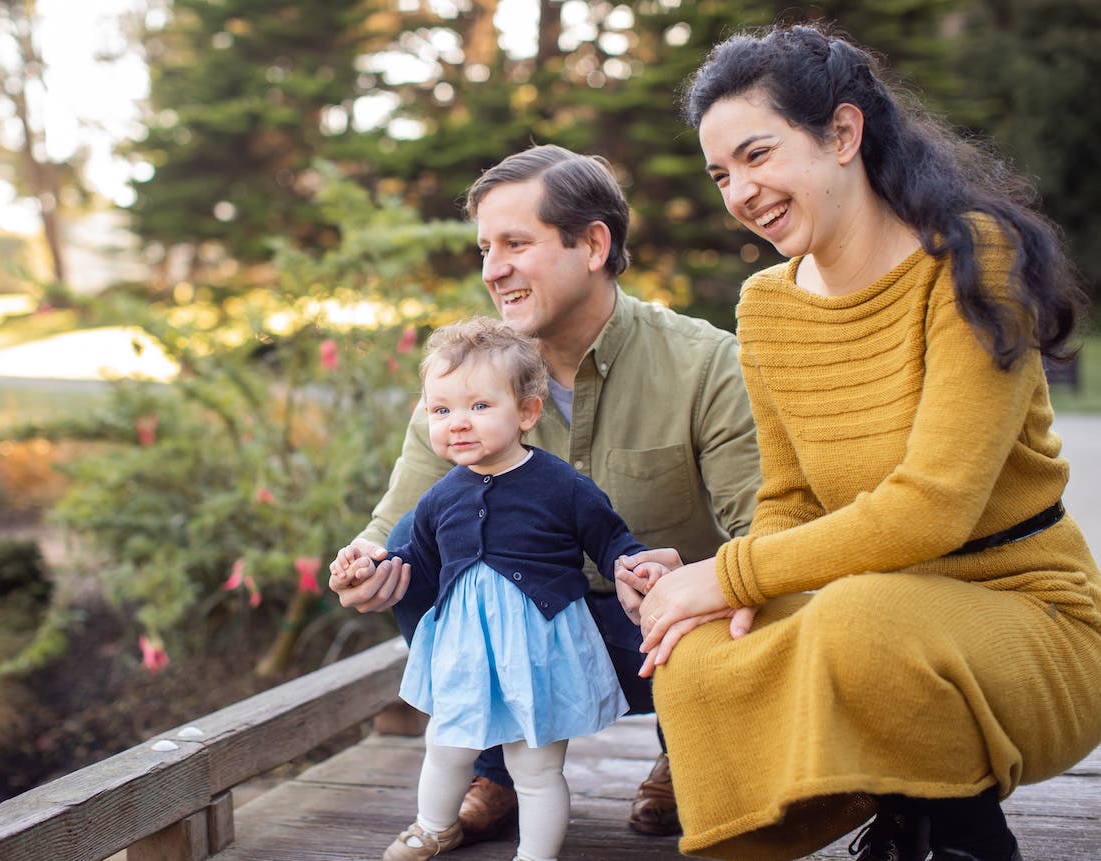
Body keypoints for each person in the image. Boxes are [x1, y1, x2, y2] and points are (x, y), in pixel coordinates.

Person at [616, 23, 1101, 861]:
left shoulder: (970, 260)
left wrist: (726, 573)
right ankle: (898, 797)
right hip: (868, 615)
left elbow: (933, 507)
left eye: (759, 155)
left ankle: (968, 838)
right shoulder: (765, 303)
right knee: (691, 650)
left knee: (862, 615)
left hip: (1031, 619)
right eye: (722, 173)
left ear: (843, 133)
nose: (741, 191)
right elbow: (790, 501)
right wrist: (723, 592)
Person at [330, 143, 762, 841]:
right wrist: (363, 563)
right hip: (514, 629)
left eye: (514, 243)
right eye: (483, 248)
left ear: (593, 244)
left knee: (730, 596)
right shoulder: (465, 388)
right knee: (411, 568)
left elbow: (765, 531)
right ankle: (496, 765)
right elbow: (393, 520)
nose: (492, 269)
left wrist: (699, 576)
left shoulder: (705, 364)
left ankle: (688, 751)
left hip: (659, 634)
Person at [336, 317, 666, 861]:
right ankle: (431, 827)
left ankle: (534, 854)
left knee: (534, 766)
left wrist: (633, 566)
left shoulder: (562, 485)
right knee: (445, 745)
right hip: (468, 646)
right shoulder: (441, 497)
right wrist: (370, 570)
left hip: (539, 646)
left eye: (479, 407)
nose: (457, 423)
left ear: (527, 412)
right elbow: (412, 559)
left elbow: (611, 540)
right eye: (441, 410)